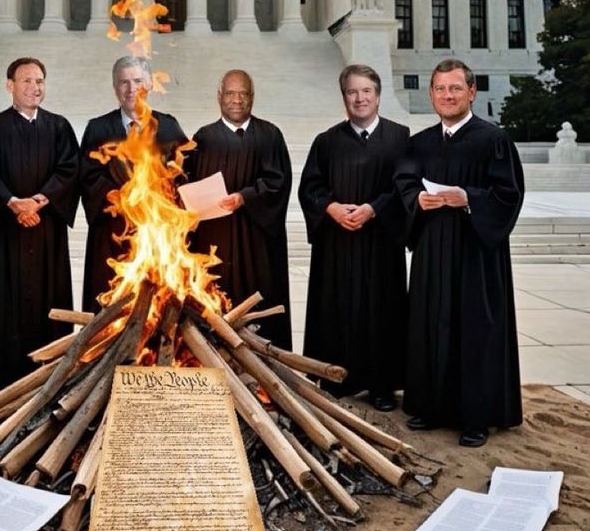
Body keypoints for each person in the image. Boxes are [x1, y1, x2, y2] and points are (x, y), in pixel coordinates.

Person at [395, 58, 525, 447]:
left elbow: (509, 194)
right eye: (439, 89)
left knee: (475, 330)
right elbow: (402, 184)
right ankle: (431, 407)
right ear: (431, 93)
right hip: (433, 251)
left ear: (472, 92)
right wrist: (417, 198)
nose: (447, 95)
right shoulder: (419, 143)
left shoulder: (493, 140)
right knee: (432, 324)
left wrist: (468, 197)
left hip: (476, 256)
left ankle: (475, 418)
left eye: (455, 88)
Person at [299, 64, 409, 410]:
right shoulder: (327, 141)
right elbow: (310, 187)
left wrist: (373, 209)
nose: (359, 98)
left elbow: (405, 187)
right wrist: (330, 208)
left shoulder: (400, 138)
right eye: (352, 92)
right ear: (343, 97)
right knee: (336, 308)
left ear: (378, 95)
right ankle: (336, 379)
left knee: (382, 310)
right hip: (338, 244)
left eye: (366, 91)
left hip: (380, 244)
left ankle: (381, 385)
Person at [0, 58, 79, 390]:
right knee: (3, 299)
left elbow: (69, 171)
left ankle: (49, 372)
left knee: (47, 300)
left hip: (45, 229)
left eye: (40, 81)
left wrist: (38, 201)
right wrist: (12, 202)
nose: (35, 87)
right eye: (27, 81)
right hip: (3, 231)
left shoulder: (59, 127)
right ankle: (2, 375)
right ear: (10, 85)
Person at [187, 70, 293, 348]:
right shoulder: (203, 138)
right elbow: (187, 183)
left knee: (261, 300)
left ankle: (264, 368)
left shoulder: (270, 135)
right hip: (215, 240)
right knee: (216, 300)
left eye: (243, 94)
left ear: (252, 98)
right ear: (219, 97)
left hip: (257, 242)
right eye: (231, 94)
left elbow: (278, 181)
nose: (237, 100)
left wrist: (245, 197)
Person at [79, 56, 186, 310]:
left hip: (156, 233)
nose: (131, 89)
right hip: (113, 234)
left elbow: (182, 175)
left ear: (148, 84)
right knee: (111, 307)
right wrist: (126, 197)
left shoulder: (168, 126)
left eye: (137, 80)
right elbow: (88, 178)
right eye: (124, 82)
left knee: (154, 308)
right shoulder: (98, 129)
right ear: (115, 87)